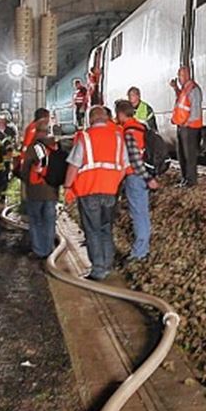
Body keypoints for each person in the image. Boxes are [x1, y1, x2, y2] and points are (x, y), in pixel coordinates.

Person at [63, 105, 126, 281]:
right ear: (106, 118)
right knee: (106, 228)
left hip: (88, 191)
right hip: (110, 191)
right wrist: (112, 183)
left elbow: (74, 165)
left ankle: (98, 269)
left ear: (90, 119)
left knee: (93, 230)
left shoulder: (85, 137)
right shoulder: (118, 137)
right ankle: (107, 265)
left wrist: (68, 187)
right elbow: (123, 167)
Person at [115, 100, 160, 263]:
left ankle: (140, 252)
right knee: (142, 213)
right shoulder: (140, 127)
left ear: (120, 114)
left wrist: (148, 179)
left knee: (139, 214)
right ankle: (143, 249)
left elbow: (134, 159)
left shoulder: (128, 131)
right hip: (143, 175)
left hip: (136, 177)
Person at [22, 123, 59, 259]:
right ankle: (48, 249)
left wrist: (26, 182)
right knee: (49, 221)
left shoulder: (33, 148)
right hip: (51, 191)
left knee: (36, 220)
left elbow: (25, 170)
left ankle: (39, 250)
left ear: (37, 132)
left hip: (35, 191)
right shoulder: (55, 147)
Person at [170, 66, 203, 187]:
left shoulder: (193, 89)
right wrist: (175, 89)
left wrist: (187, 122)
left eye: (181, 76)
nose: (180, 78)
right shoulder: (185, 89)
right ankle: (185, 178)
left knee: (190, 156)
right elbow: (182, 101)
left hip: (190, 127)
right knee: (182, 155)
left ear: (187, 75)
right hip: (183, 126)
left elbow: (195, 110)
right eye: (179, 76)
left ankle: (191, 181)